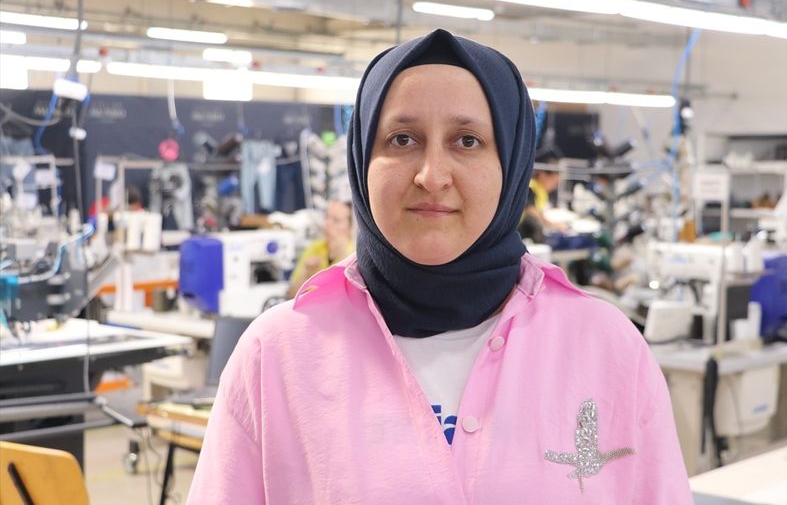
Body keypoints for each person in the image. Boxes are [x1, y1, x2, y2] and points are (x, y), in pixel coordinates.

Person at [187, 29, 691, 503]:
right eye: (402, 139)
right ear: (362, 160)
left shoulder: (607, 349)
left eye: (467, 140)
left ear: (512, 163)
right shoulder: (276, 356)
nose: (432, 176)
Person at [285, 200, 354, 299]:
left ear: (350, 227)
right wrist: (306, 272)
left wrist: (341, 255)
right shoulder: (314, 248)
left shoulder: (356, 254)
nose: (327, 223)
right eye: (327, 217)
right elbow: (292, 294)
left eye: (336, 220)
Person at [519, 162, 564, 243]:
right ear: (543, 176)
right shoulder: (530, 187)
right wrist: (552, 224)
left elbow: (538, 211)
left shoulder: (540, 190)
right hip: (519, 229)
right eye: (554, 182)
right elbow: (531, 211)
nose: (554, 187)